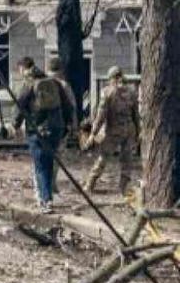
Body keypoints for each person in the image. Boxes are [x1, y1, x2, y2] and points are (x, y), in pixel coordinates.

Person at [15, 59, 77, 212]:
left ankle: (45, 200)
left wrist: (14, 125)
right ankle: (48, 196)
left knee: (40, 165)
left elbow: (20, 105)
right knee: (49, 164)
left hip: (38, 130)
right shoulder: (54, 83)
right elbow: (67, 105)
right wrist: (69, 124)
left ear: (24, 70)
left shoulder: (29, 84)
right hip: (56, 128)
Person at [85, 66, 140, 195]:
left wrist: (93, 133)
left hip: (113, 131)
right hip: (128, 130)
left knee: (103, 158)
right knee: (127, 160)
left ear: (111, 78)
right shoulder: (132, 92)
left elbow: (100, 115)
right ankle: (123, 188)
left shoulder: (107, 92)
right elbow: (136, 114)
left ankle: (90, 184)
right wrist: (138, 130)